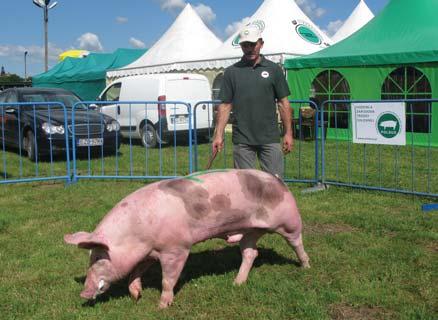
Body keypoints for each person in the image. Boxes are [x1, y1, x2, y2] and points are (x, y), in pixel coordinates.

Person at [212, 25, 293, 178]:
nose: (249, 49)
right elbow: (225, 106)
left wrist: (288, 133)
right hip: (243, 140)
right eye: (245, 45)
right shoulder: (231, 72)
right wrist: (218, 134)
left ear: (261, 43)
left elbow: (283, 103)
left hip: (269, 138)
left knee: (274, 186)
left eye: (252, 44)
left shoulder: (274, 69)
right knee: (245, 188)